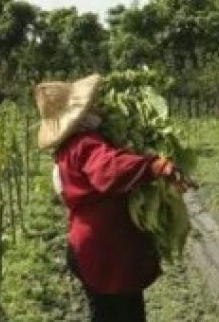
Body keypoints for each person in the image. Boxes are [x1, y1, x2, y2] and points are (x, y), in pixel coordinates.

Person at [36, 73, 193, 322]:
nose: (98, 106)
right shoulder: (85, 144)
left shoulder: (68, 149)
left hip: (91, 247)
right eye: (92, 105)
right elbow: (109, 169)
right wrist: (155, 166)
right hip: (103, 252)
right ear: (80, 115)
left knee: (121, 311)